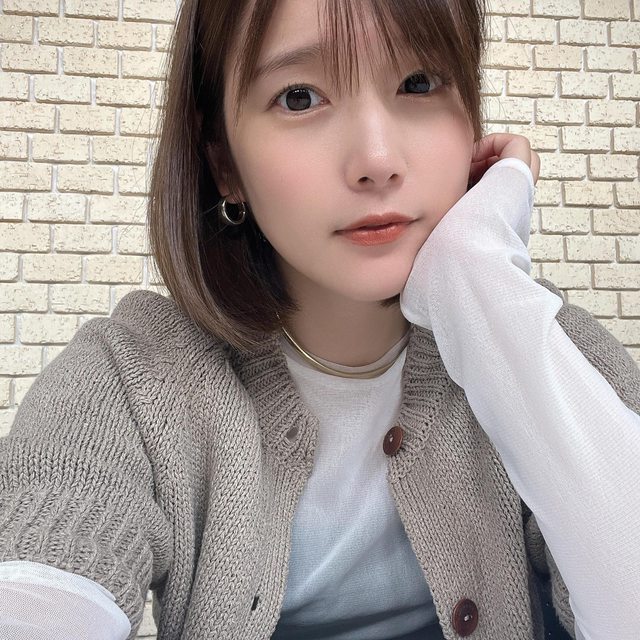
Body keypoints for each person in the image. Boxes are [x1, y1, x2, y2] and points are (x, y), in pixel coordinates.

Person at [0, 0, 638, 639]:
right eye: (299, 97)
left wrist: (480, 281)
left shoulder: (537, 340)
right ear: (224, 163)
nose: (377, 159)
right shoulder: (133, 379)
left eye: (418, 83)